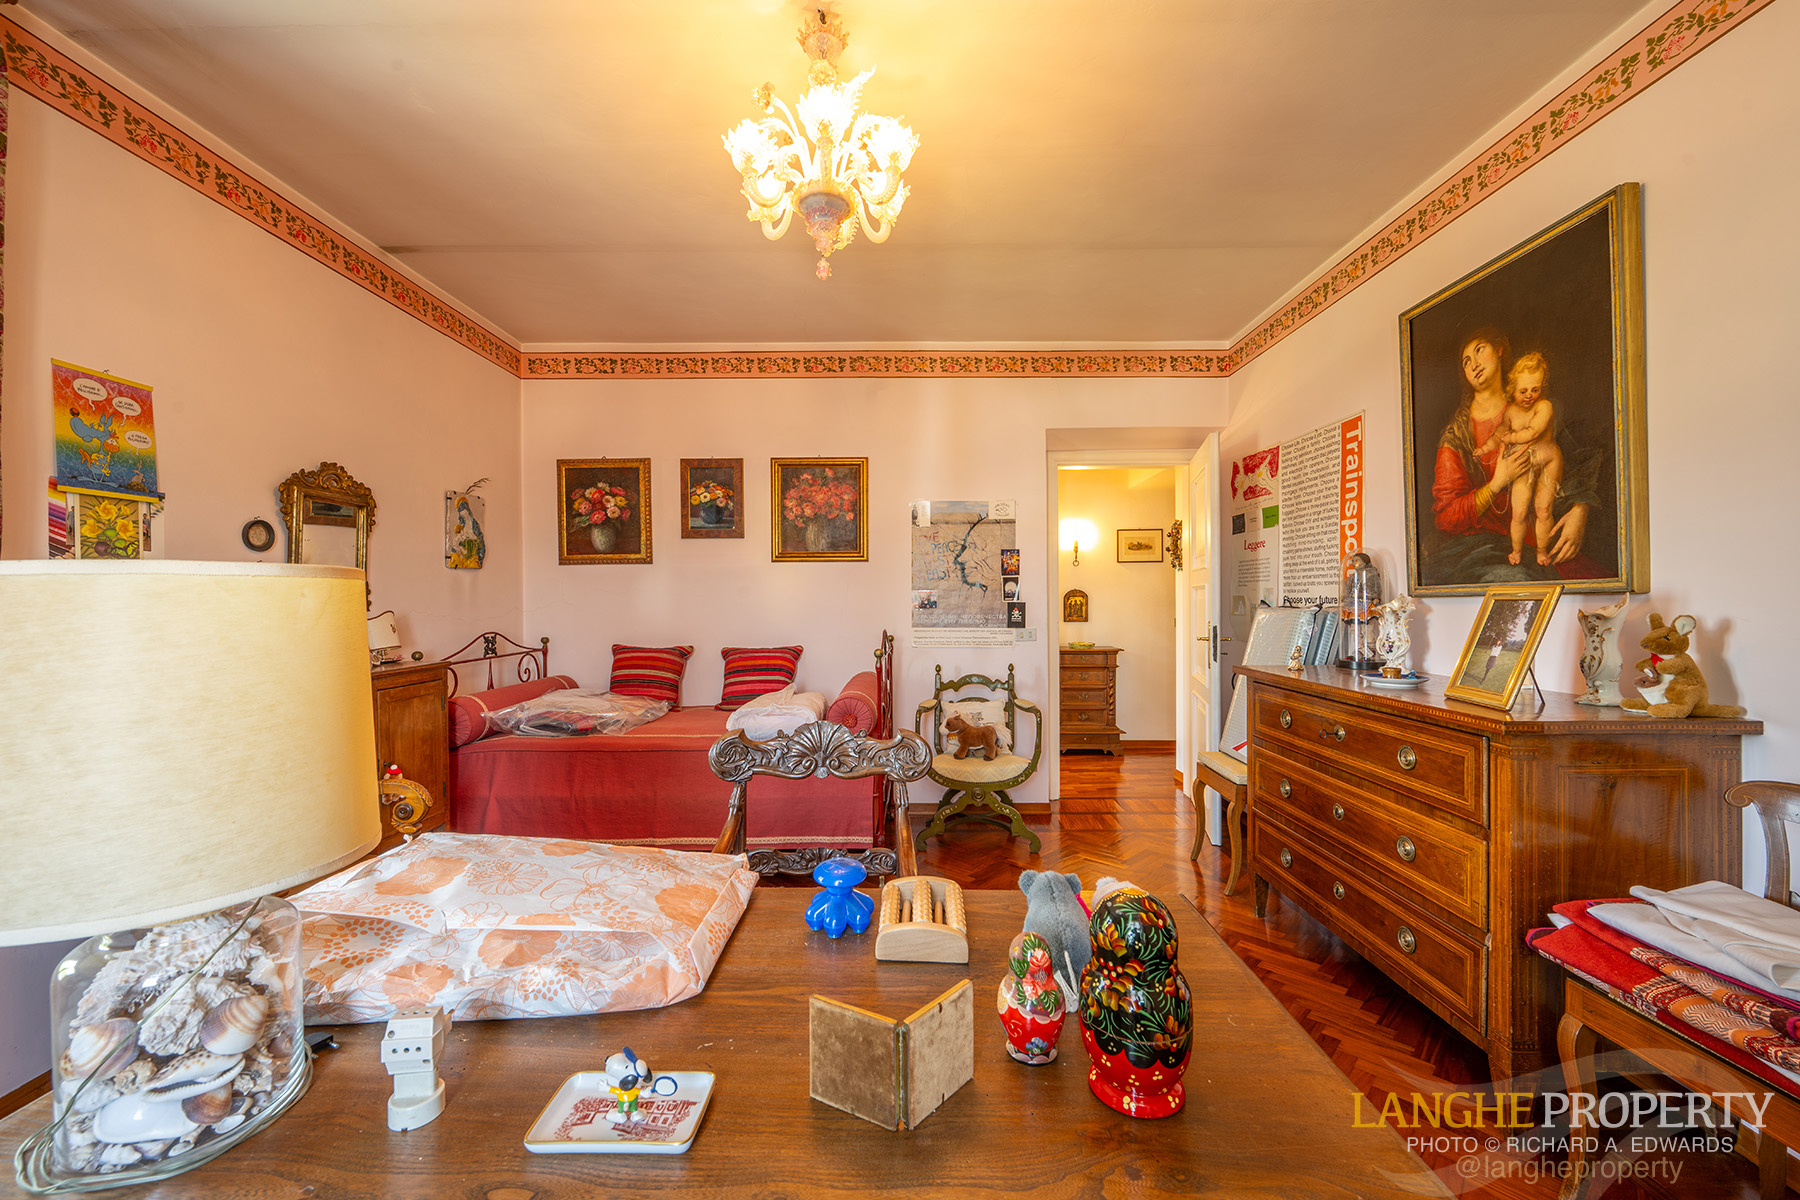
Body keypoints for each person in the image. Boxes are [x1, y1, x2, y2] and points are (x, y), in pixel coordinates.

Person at [1427, 328, 1599, 586]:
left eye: (1479, 350)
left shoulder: (1534, 405)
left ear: (1499, 350)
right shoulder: (1457, 437)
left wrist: (1580, 509)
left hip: (1543, 541)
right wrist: (1497, 483)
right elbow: (1446, 518)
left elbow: (1575, 464)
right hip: (1487, 549)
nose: (1474, 364)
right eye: (1466, 361)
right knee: (1519, 581)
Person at [1475, 351, 1564, 568]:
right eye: (1523, 391)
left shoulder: (1544, 407)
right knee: (1519, 512)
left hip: (1548, 462)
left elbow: (1533, 432)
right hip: (1524, 465)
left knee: (1543, 510)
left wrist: (1511, 438)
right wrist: (1485, 447)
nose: (1529, 395)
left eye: (1535, 389)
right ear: (1512, 389)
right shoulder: (1511, 412)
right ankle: (1516, 550)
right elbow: (1499, 434)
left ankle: (1542, 551)